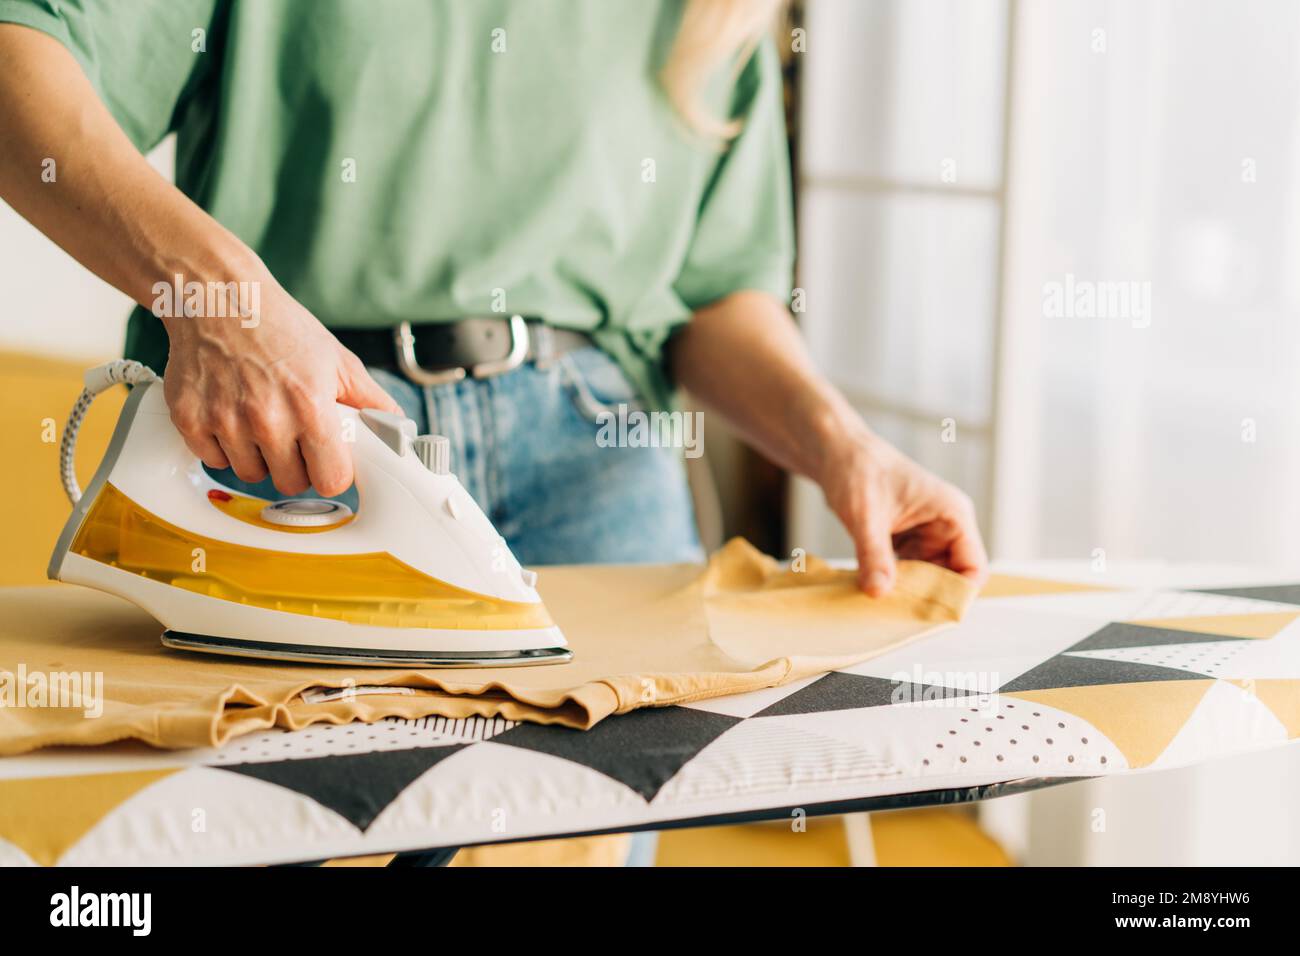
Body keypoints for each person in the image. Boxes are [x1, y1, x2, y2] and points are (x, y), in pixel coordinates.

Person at [0, 0, 987, 864]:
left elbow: (713, 291)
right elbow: (18, 59)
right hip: (298, 429)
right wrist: (222, 303)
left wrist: (842, 445)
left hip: (599, 462)